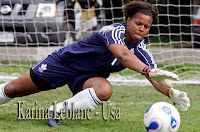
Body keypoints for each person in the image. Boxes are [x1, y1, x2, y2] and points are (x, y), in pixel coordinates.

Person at [0, 1, 190, 127]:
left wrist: (170, 92)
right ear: (128, 20)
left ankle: (55, 112)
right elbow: (123, 56)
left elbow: (154, 76)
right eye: (138, 23)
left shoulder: (141, 49)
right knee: (12, 89)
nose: (141, 29)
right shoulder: (113, 31)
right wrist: (148, 70)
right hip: (63, 63)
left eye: (146, 27)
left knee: (104, 90)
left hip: (85, 78)